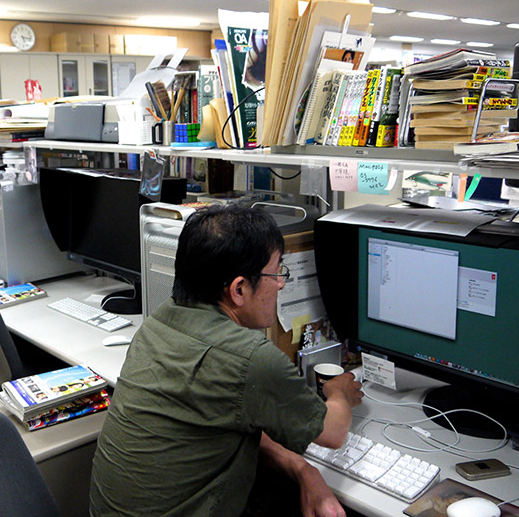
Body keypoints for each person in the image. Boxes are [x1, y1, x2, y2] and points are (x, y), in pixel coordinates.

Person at [89, 204, 363, 517]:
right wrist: (339, 391)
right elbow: (333, 432)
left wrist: (303, 469)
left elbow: (224, 417)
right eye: (276, 273)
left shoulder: (159, 323)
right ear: (239, 289)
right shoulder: (250, 358)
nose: (281, 284)